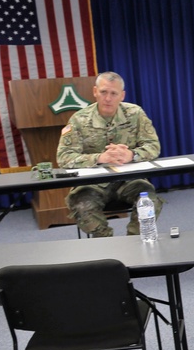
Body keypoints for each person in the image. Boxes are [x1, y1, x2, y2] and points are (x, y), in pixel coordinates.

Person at [56, 72, 162, 237]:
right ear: (95, 91)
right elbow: (64, 157)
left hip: (129, 179)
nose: (108, 98)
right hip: (92, 183)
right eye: (104, 92)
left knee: (150, 201)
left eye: (114, 93)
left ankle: (134, 243)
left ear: (122, 95)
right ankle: (106, 245)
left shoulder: (135, 114)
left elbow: (153, 146)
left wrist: (131, 155)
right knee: (82, 205)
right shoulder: (79, 120)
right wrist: (99, 158)